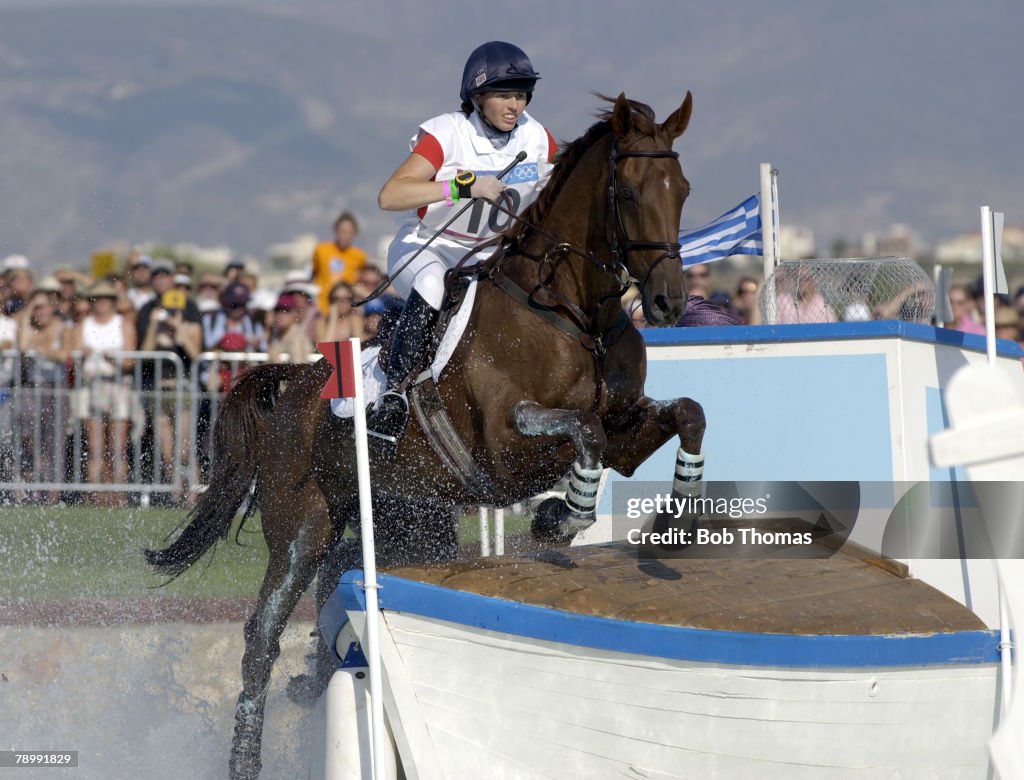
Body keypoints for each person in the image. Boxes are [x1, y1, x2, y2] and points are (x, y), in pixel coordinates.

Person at [367, 40, 557, 445]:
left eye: (522, 95)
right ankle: (392, 395)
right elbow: (390, 196)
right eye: (504, 94)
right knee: (433, 283)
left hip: (490, 257)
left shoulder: (538, 139)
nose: (515, 106)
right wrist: (463, 185)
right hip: (427, 248)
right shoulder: (446, 133)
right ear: (477, 96)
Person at [74, 281, 136, 504]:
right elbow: (75, 354)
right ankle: (93, 494)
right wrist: (83, 354)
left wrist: (112, 359)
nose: (101, 303)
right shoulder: (84, 324)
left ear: (112, 301)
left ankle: (119, 495)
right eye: (97, 298)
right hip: (92, 386)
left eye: (105, 298)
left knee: (117, 446)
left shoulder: (123, 324)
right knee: (95, 446)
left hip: (117, 385)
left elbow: (130, 361)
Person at [311, 212, 367, 315]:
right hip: (322, 306)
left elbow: (361, 280)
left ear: (354, 234)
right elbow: (313, 275)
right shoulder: (321, 250)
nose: (345, 236)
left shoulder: (359, 255)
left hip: (346, 307)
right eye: (342, 231)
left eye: (349, 232)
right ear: (335, 231)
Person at [266, 293, 313, 364]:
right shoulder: (277, 333)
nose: (280, 315)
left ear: (295, 313)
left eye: (286, 310)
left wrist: (276, 363)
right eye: (277, 310)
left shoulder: (297, 337)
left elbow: (298, 370)